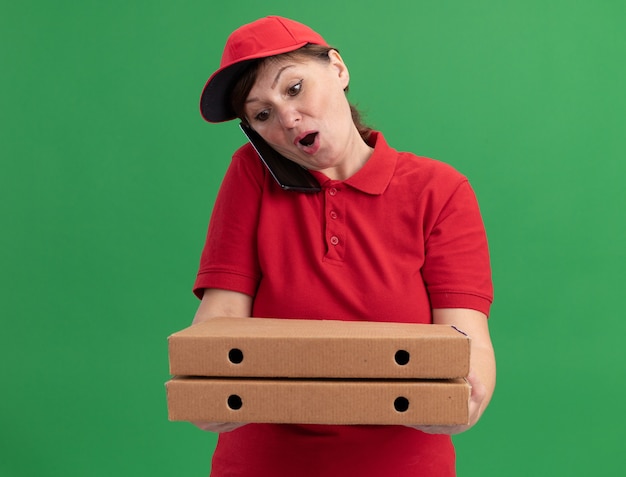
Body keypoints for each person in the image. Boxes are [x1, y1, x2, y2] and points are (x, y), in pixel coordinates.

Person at [190, 15, 495, 477]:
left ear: (337, 68)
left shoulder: (440, 190)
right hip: (263, 464)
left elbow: (467, 342)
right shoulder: (250, 174)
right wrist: (206, 385)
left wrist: (462, 395)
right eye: (262, 114)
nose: (288, 119)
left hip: (402, 465)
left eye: (293, 88)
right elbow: (222, 318)